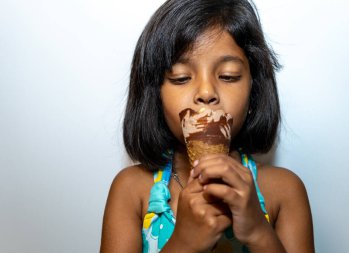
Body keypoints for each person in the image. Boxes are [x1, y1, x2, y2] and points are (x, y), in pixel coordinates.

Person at [100, 0, 314, 252]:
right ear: (154, 96)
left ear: (253, 94)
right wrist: (183, 244)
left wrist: (258, 232)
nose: (206, 92)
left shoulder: (284, 191)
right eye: (181, 78)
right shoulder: (131, 190)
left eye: (228, 76)